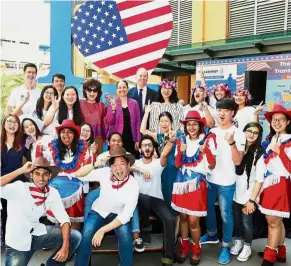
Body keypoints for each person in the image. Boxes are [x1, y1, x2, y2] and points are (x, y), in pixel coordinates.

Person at [0, 157, 82, 266]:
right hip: (18, 244)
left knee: (75, 237)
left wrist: (65, 247)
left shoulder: (52, 193)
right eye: (37, 174)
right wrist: (20, 170)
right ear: (31, 175)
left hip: (38, 233)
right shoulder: (19, 188)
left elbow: (64, 220)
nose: (41, 178)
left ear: (50, 176)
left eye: (45, 174)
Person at [73, 147, 139, 266]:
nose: (118, 168)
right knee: (86, 235)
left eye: (122, 164)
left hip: (119, 215)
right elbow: (78, 175)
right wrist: (95, 164)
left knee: (126, 239)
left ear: (128, 165)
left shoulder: (133, 185)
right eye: (114, 165)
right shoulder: (105, 173)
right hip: (99, 211)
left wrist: (102, 230)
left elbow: (126, 215)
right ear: (110, 167)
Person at [83, 132, 147, 253]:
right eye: (113, 140)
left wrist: (139, 169)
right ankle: (88, 230)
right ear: (109, 142)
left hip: (121, 187)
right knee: (90, 197)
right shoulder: (103, 155)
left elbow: (129, 167)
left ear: (122, 143)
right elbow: (94, 172)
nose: (116, 143)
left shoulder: (126, 155)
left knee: (131, 203)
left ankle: (136, 236)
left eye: (119, 140)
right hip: (104, 188)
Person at [200, 98, 246, 265]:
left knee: (226, 214)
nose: (221, 113)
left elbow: (238, 161)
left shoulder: (238, 133)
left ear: (232, 112)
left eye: (225, 110)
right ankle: (212, 234)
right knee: (207, 207)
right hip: (210, 178)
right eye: (219, 110)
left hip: (227, 181)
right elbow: (207, 156)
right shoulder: (211, 131)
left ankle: (226, 246)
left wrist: (231, 142)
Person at [173, 111, 216, 265]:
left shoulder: (206, 141)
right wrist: (181, 153)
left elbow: (212, 165)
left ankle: (196, 249)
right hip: (181, 182)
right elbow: (177, 165)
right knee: (183, 217)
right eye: (188, 124)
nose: (191, 127)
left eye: (195, 124)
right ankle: (184, 247)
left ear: (200, 125)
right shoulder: (181, 141)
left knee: (193, 220)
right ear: (185, 126)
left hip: (197, 184)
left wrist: (207, 151)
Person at [134, 134, 177, 266]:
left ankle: (168, 257)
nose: (147, 148)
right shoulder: (135, 163)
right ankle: (146, 228)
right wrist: (140, 169)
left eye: (149, 145)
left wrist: (170, 141)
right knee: (143, 197)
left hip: (157, 201)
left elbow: (164, 154)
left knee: (169, 220)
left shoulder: (157, 164)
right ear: (140, 149)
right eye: (144, 146)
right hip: (140, 202)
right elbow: (125, 166)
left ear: (153, 149)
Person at [257, 104, 291, 266]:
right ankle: (280, 251)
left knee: (272, 222)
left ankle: (269, 256)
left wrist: (280, 152)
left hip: (279, 184)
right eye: (274, 120)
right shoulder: (271, 139)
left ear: (287, 121)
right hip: (268, 184)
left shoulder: (289, 141)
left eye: (281, 119)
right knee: (277, 221)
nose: (277, 122)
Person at [46, 119, 91, 230]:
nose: (66, 135)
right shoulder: (51, 148)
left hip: (75, 189)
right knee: (59, 220)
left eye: (69, 132)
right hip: (56, 188)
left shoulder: (84, 149)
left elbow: (87, 169)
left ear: (74, 134)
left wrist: (85, 188)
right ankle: (61, 243)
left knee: (74, 220)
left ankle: (74, 244)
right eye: (63, 132)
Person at [231, 122, 265, 262]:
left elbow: (259, 180)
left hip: (249, 194)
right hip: (235, 192)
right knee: (237, 221)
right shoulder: (238, 148)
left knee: (247, 223)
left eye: (255, 133)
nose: (251, 134)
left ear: (259, 136)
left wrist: (252, 200)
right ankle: (238, 241)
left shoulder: (259, 153)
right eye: (249, 131)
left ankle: (247, 246)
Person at [1, 114, 27, 246]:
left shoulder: (23, 143)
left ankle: (19, 238)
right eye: (9, 122)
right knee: (5, 212)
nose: (12, 125)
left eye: (15, 122)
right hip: (3, 183)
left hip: (19, 183)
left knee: (18, 212)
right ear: (4, 124)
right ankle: (6, 240)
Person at [106, 80, 141, 155]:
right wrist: (113, 109)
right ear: (117, 90)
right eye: (120, 88)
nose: (122, 89)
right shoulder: (112, 103)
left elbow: (138, 123)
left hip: (131, 138)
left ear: (128, 89)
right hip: (116, 140)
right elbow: (109, 122)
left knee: (130, 161)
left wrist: (138, 140)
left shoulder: (134, 103)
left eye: (124, 87)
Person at [80, 78, 107, 154]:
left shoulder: (102, 105)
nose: (92, 93)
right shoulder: (79, 103)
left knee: (97, 162)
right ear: (85, 91)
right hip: (82, 139)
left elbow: (106, 123)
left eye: (95, 90)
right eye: (89, 90)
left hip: (97, 139)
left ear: (98, 92)